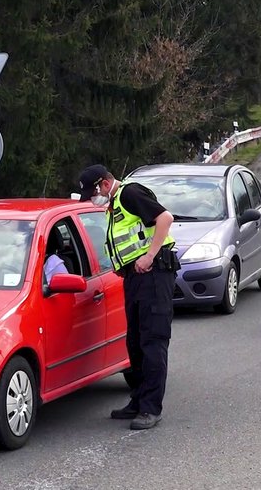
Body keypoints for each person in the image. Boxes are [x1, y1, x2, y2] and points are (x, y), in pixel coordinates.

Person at [77, 164, 178, 430]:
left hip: (155, 274)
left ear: (104, 183)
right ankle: (138, 400)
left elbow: (165, 219)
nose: (92, 198)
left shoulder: (130, 194)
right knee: (135, 341)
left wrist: (149, 256)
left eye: (93, 191)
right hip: (136, 278)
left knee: (152, 341)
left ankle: (151, 408)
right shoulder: (115, 206)